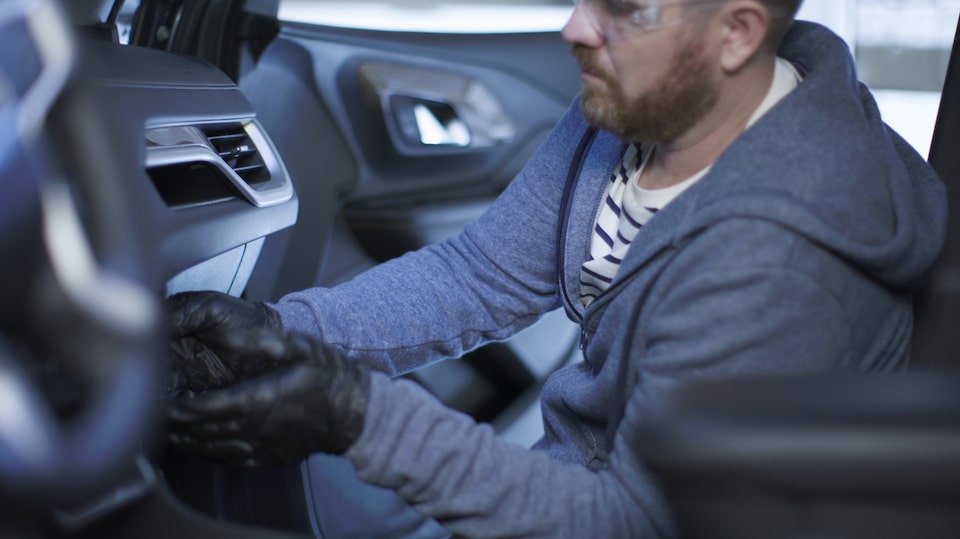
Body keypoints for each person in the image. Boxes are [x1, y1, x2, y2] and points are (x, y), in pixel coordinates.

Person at [166, 0, 948, 537]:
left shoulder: (778, 258)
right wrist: (281, 329)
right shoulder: (643, 109)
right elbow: (479, 274)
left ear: (738, 34)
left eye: (623, 9)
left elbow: (626, 522)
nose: (575, 27)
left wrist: (355, 414)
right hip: (573, 475)